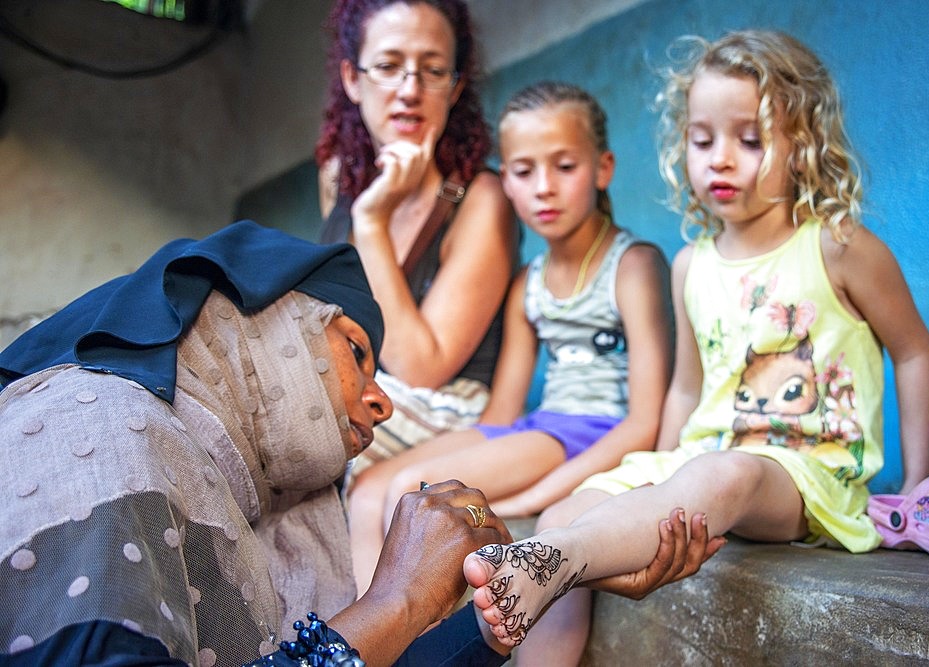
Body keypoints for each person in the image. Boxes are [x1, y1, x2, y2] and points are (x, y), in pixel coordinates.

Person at [0, 221, 717, 667]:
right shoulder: (86, 425)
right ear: (264, 328)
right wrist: (394, 602)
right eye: (356, 352)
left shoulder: (241, 493)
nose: (383, 400)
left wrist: (523, 596)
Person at [463, 30, 929, 663]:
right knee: (564, 511)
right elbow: (687, 387)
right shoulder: (692, 264)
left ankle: (557, 561)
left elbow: (913, 352)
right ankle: (552, 581)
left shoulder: (838, 246)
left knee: (727, 473)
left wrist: (918, 484)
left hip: (802, 474)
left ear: (802, 146)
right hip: (699, 457)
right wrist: (652, 482)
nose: (720, 159)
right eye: (701, 139)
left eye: (749, 140)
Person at [347, 81, 673, 594]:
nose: (543, 187)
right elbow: (501, 416)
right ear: (507, 183)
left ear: (602, 168)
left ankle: (416, 645)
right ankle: (368, 645)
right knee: (369, 487)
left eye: (564, 167)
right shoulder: (529, 282)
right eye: (523, 171)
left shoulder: (634, 265)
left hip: (589, 431)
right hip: (533, 428)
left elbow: (646, 422)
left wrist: (529, 498)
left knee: (412, 492)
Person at [314, 0, 519, 488]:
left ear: (455, 88)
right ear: (352, 78)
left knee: (306, 422)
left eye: (432, 71)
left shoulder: (482, 199)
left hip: (447, 409)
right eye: (387, 67)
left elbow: (422, 367)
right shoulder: (335, 179)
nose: (410, 90)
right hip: (355, 390)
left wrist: (372, 220)